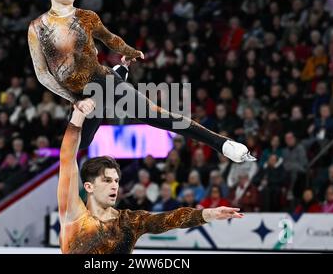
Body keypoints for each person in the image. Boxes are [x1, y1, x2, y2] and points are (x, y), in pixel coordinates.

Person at [28, 0, 255, 163]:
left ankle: (224, 145)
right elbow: (42, 74)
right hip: (81, 95)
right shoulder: (37, 27)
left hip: (102, 82)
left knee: (156, 116)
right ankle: (120, 73)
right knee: (82, 142)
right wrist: (75, 100)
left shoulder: (87, 17)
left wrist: (127, 51)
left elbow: (109, 38)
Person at [57, 99, 243, 254]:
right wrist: (78, 117)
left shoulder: (129, 222)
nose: (114, 186)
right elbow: (67, 157)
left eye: (116, 180)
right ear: (89, 186)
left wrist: (209, 213)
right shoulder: (73, 214)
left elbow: (168, 220)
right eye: (107, 180)